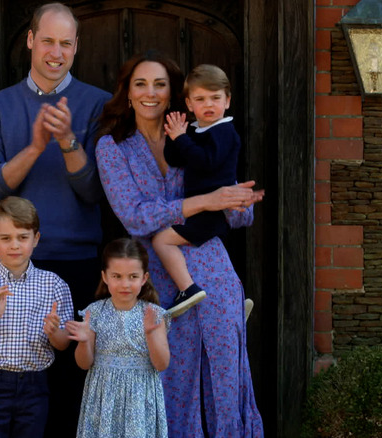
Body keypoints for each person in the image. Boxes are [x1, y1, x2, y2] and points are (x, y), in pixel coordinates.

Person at [95, 50, 265, 437]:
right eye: (141, 84)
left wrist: (239, 202)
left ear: (173, 95)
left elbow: (234, 214)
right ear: (128, 92)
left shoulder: (199, 135)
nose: (150, 93)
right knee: (170, 379)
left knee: (224, 378)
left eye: (160, 85)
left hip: (214, 273)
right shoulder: (112, 147)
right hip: (157, 280)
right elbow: (134, 216)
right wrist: (205, 201)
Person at [0, 3, 111, 435]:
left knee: (72, 387)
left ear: (76, 47)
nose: (56, 51)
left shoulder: (98, 104)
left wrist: (68, 141)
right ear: (30, 40)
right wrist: (34, 147)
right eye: (47, 40)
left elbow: (95, 193)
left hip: (78, 264)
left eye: (65, 43)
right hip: (12, 267)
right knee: (14, 390)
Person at [0, 196, 74, 438]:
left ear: (36, 239)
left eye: (22, 237)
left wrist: (53, 332)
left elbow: (63, 344)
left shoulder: (54, 285)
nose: (15, 245)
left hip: (34, 385)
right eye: (5, 238)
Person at [153, 64, 243, 317]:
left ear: (227, 100)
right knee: (210, 259)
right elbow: (176, 159)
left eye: (215, 98)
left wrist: (182, 138)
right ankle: (230, 303)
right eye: (200, 99)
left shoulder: (225, 131)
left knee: (161, 240)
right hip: (200, 208)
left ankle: (188, 289)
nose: (209, 104)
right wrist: (174, 135)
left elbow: (206, 162)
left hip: (212, 212)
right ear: (190, 104)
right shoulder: (197, 129)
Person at [67, 238, 170, 438]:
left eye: (133, 276)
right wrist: (84, 341)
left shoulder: (154, 315)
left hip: (140, 398)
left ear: (144, 278)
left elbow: (162, 363)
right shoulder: (94, 312)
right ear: (105, 276)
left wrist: (150, 334)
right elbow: (84, 363)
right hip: (103, 397)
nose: (125, 284)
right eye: (117, 276)